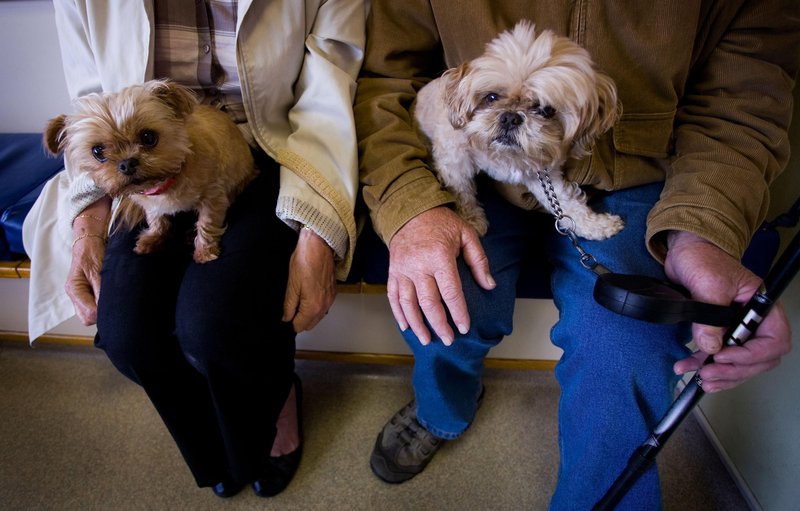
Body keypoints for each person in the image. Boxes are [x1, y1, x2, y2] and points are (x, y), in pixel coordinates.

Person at [354, 1, 798, 509]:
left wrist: (703, 229)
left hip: (637, 176)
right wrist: (412, 205)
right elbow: (385, 81)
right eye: (498, 95)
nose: (515, 111)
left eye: (540, 106)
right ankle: (440, 411)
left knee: (628, 344)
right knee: (439, 299)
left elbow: (741, 104)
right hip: (473, 175)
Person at [23, 0, 365, 499]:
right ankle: (215, 442)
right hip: (141, 176)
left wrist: (317, 232)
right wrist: (86, 227)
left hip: (275, 148)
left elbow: (328, 94)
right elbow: (91, 111)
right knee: (126, 334)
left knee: (215, 325)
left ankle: (275, 403)